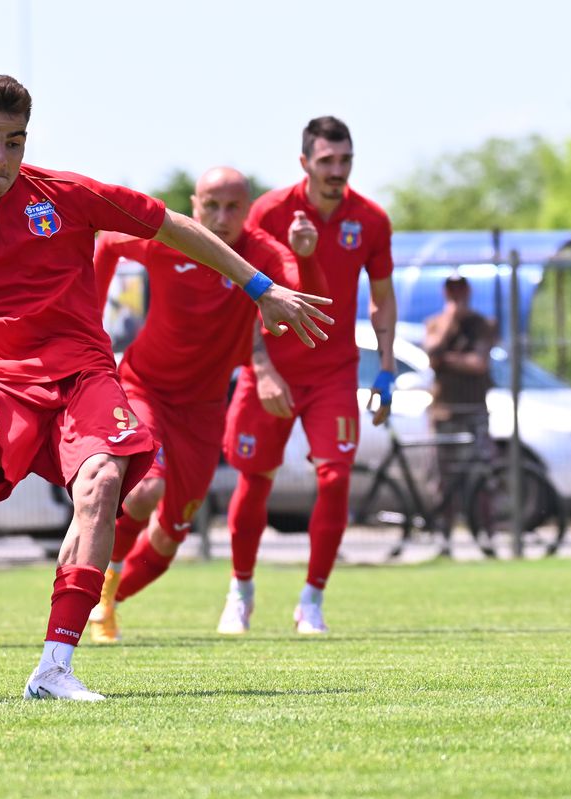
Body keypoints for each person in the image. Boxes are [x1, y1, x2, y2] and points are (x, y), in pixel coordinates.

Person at [0, 72, 331, 702]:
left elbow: (168, 224)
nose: (1, 157)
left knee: (104, 483)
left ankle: (55, 668)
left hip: (83, 371)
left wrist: (260, 287)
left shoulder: (64, 195)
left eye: (14, 142)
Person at [86, 166, 296, 644]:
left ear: (249, 208)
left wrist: (265, 358)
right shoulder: (168, 238)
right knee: (143, 491)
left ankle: (108, 600)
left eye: (233, 207)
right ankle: (95, 594)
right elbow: (106, 241)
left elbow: (293, 286)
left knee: (170, 535)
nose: (221, 218)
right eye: (210, 206)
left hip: (204, 409)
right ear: (194, 204)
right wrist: (91, 323)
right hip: (145, 388)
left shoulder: (260, 254)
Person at [217, 116, 397, 636]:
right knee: (254, 481)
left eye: (345, 161)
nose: (337, 171)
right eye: (326, 162)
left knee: (336, 478)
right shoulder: (269, 212)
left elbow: (382, 301)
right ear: (305, 164)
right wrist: (262, 366)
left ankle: (312, 600)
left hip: (334, 373)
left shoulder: (372, 219)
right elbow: (237, 299)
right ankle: (241, 591)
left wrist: (385, 370)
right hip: (270, 371)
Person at [423, 272, 497, 547]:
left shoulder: (482, 325)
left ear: (469, 291)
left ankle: (486, 536)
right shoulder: (434, 324)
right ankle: (444, 538)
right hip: (443, 413)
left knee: (481, 476)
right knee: (442, 478)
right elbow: (431, 353)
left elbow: (478, 363)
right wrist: (449, 321)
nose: (457, 297)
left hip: (474, 410)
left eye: (460, 291)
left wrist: (446, 359)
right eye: (451, 292)